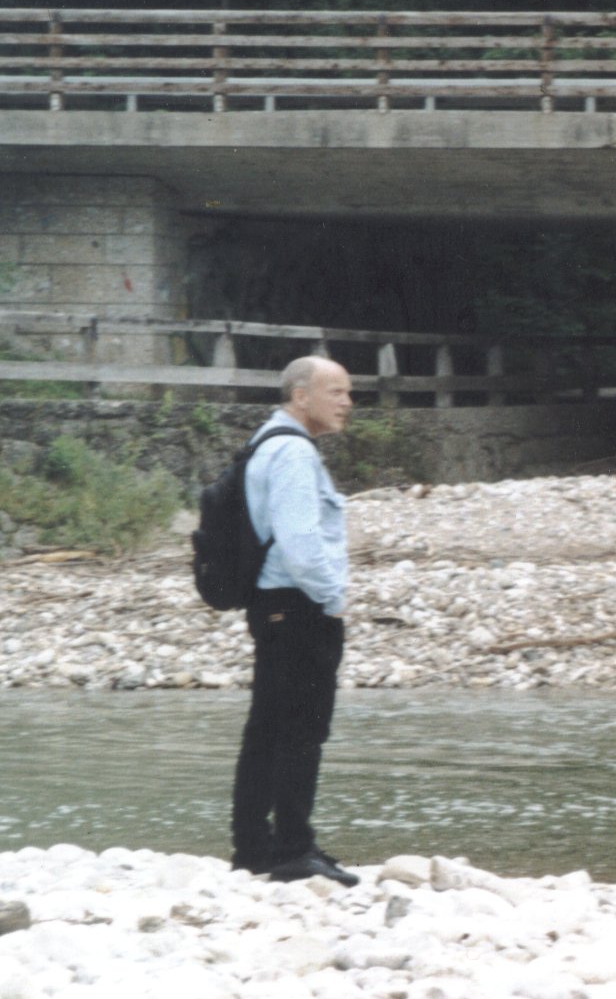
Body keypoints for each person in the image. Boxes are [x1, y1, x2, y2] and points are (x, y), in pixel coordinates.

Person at [229, 354, 360, 886]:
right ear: (300, 396)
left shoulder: (269, 442)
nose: (347, 402)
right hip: (298, 604)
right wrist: (332, 599)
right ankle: (291, 849)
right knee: (301, 729)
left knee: (268, 728)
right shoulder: (292, 454)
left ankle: (255, 847)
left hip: (276, 604)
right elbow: (301, 541)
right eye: (336, 392)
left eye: (349, 392)